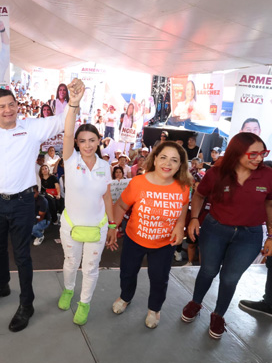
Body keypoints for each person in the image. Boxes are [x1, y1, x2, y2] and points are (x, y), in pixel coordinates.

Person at [0, 80, 85, 332]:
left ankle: (26, 303)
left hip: (22, 202)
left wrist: (73, 103)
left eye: (11, 104)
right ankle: (2, 286)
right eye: (1, 106)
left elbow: (62, 121)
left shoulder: (31, 127)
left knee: (22, 254)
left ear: (17, 106)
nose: (8, 110)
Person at [181, 133, 272, 339]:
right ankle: (196, 303)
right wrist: (194, 218)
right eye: (254, 154)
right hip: (215, 230)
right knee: (208, 270)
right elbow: (199, 195)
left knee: (230, 278)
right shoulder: (217, 173)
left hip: (249, 236)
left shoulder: (267, 175)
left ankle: (218, 315)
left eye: (263, 153)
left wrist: (271, 236)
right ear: (237, 153)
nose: (259, 158)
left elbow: (269, 204)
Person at [111, 141, 191, 329]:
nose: (168, 163)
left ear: (180, 165)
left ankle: (154, 309)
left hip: (164, 244)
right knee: (128, 272)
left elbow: (183, 206)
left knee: (159, 279)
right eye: (163, 157)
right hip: (134, 240)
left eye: (174, 160)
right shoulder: (138, 182)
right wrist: (113, 227)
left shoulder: (183, 186)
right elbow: (121, 205)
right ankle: (125, 297)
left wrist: (180, 225)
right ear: (154, 159)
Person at [58, 95, 116, 326]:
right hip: (71, 226)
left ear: (99, 140)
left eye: (92, 140)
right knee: (71, 263)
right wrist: (74, 104)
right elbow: (67, 134)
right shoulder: (70, 160)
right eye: (82, 141)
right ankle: (68, 290)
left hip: (97, 228)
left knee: (90, 268)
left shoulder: (105, 166)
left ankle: (84, 303)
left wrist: (112, 225)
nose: (88, 145)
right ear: (76, 143)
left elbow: (107, 197)